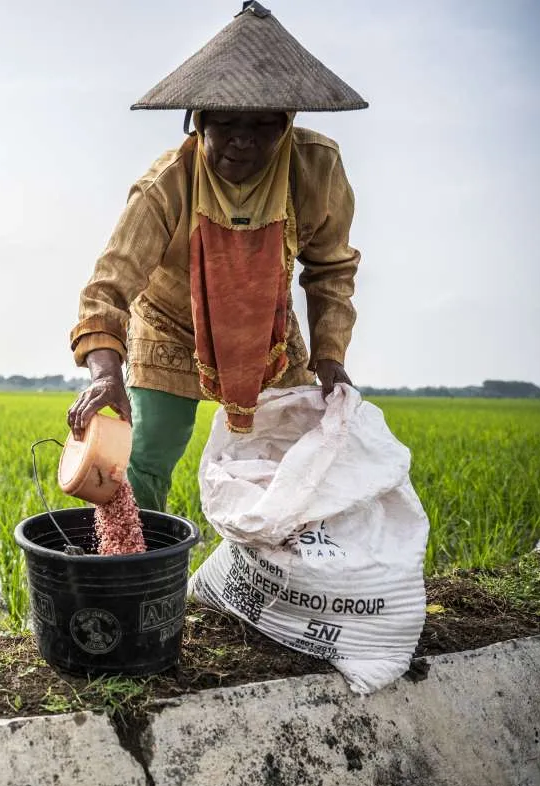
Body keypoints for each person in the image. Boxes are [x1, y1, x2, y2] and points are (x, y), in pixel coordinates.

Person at [67, 2, 366, 513]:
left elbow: (331, 269)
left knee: (288, 457)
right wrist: (104, 375)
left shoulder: (315, 168)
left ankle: (271, 570)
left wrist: (331, 358)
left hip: (267, 330)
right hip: (171, 327)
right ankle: (135, 564)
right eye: (225, 123)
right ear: (197, 122)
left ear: (287, 124)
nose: (242, 140)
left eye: (262, 125)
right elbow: (108, 288)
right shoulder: (167, 185)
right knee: (147, 453)